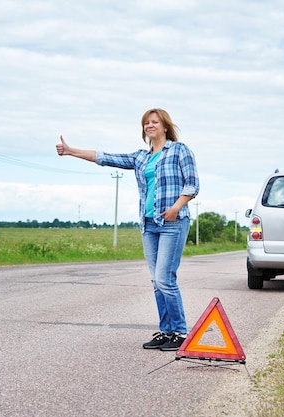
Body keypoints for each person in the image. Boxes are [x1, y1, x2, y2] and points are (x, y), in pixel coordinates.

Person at [56, 108, 199, 351]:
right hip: (149, 224)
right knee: (156, 281)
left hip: (172, 222)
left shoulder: (179, 150)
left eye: (155, 122)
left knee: (166, 278)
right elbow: (105, 157)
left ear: (165, 127)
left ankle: (180, 332)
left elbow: (192, 184)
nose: (149, 125)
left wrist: (176, 207)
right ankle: (166, 331)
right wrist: (71, 152)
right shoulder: (140, 158)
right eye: (146, 123)